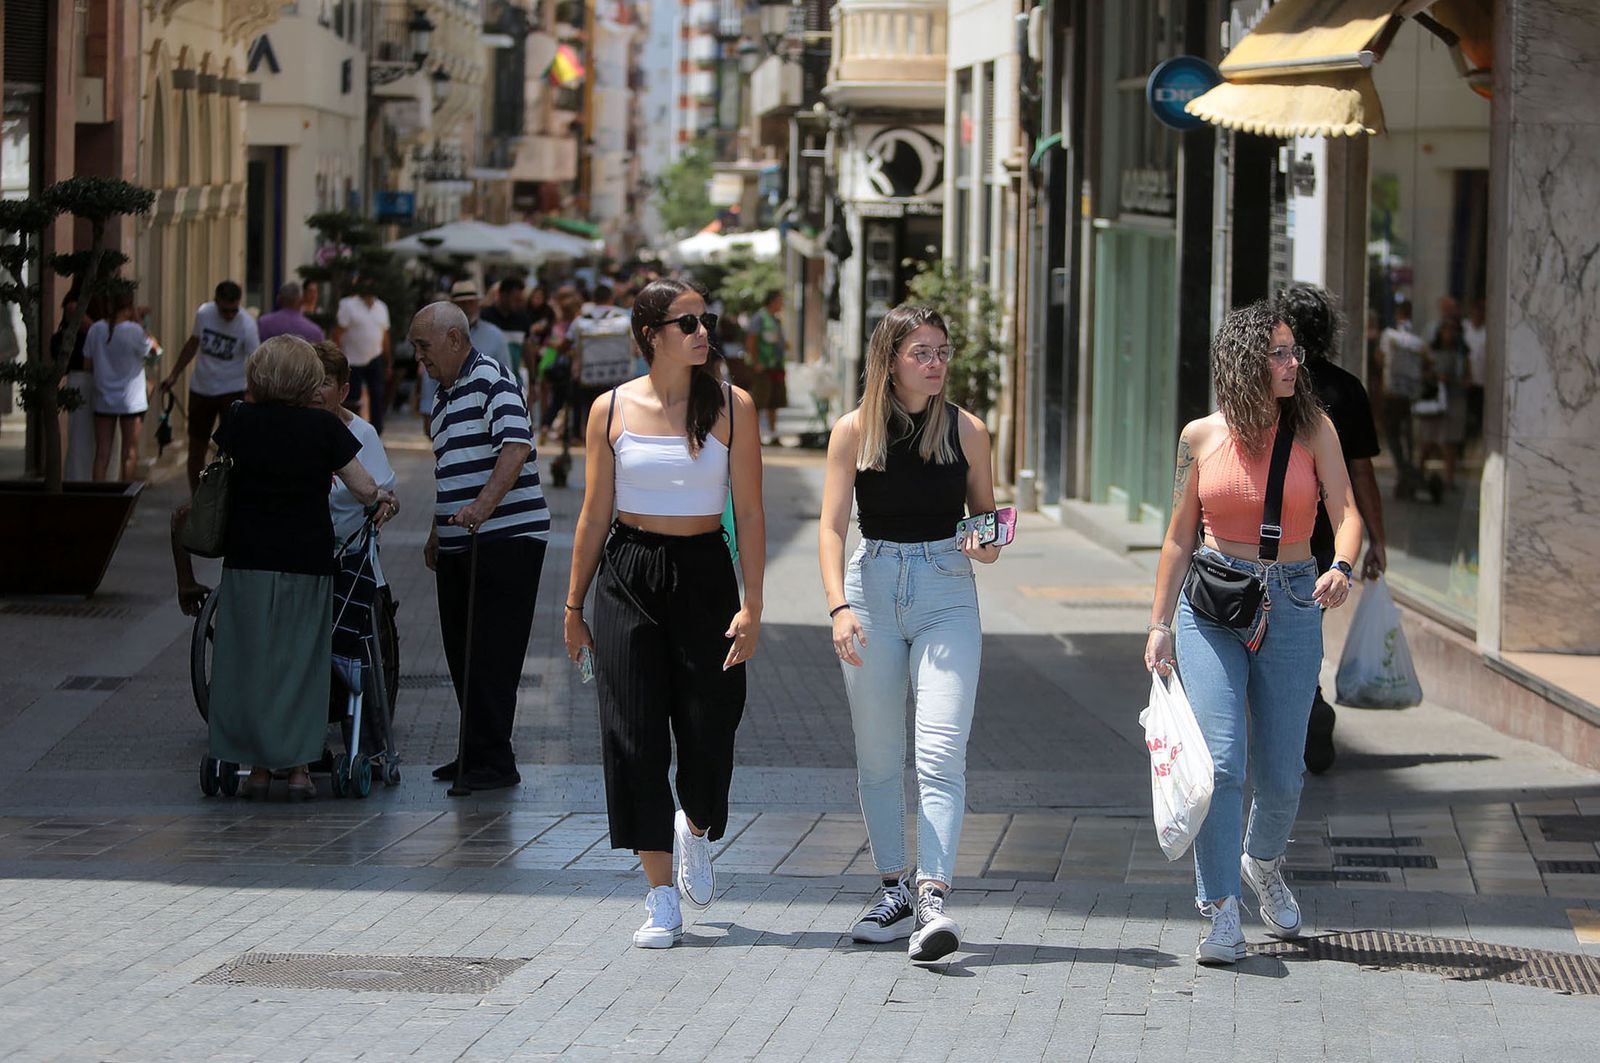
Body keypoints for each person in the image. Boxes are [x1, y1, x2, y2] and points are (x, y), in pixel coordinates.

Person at [1145, 301, 1362, 966]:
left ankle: (1262, 861)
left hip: (1294, 597)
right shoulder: (1199, 437)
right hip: (1212, 602)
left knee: (1284, 773)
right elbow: (1178, 536)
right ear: (1246, 362)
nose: (1294, 363)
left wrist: (1341, 566)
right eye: (1280, 353)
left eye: (1295, 351)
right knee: (1221, 764)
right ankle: (1219, 912)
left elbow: (1347, 512)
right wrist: (1158, 624)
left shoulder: (1315, 429)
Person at [563, 278, 765, 950]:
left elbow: (751, 513)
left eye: (707, 320)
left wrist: (754, 603)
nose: (703, 332)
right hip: (628, 572)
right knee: (633, 734)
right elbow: (593, 513)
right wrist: (573, 605)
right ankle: (659, 897)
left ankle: (696, 826)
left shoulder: (732, 405)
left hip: (705, 571)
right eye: (688, 323)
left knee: (712, 725)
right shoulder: (610, 409)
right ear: (651, 335)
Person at [819, 305, 1003, 963]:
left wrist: (987, 540)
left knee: (940, 750)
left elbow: (987, 521)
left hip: (946, 589)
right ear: (890, 359)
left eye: (941, 351)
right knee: (877, 753)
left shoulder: (968, 429)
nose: (935, 363)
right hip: (871, 589)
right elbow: (831, 527)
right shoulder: (854, 430)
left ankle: (932, 896)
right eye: (920, 352)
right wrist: (839, 607)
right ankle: (893, 887)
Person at [207, 335, 397, 800]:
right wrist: (383, 499)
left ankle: (257, 769)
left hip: (247, 559)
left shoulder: (238, 419)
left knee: (251, 659)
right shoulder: (322, 427)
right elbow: (363, 487)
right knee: (300, 663)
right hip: (306, 562)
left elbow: (215, 473)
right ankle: (297, 771)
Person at [413, 301, 550, 792]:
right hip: (462, 541)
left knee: (492, 652)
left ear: (454, 339)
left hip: (505, 539)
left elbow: (516, 445)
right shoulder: (444, 396)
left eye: (424, 346)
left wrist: (483, 506)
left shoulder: (491, 378)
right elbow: (450, 469)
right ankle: (475, 751)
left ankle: (494, 761)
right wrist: (437, 530)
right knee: (463, 651)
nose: (419, 358)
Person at [1276, 285, 1389, 775]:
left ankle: (1304, 709)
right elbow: (1362, 474)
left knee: (1272, 631)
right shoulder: (1347, 389)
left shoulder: (1275, 384)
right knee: (1303, 628)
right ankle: (1308, 707)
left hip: (1270, 531)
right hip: (1326, 537)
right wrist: (1376, 540)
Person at [160, 280, 261, 492]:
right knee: (196, 445)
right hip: (202, 389)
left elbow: (256, 362)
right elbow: (192, 344)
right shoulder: (205, 313)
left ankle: (228, 497)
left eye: (234, 310)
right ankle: (197, 497)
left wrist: (253, 393)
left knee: (232, 449)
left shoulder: (247, 325)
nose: (229, 315)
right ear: (216, 302)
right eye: (225, 310)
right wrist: (174, 374)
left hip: (232, 391)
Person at [88, 295, 151, 482]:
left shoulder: (96, 329)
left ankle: (97, 496)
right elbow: (152, 352)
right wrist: (139, 320)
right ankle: (127, 495)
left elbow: (87, 363)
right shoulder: (135, 331)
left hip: (103, 397)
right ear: (130, 307)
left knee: (102, 453)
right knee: (129, 452)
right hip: (132, 400)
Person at [567, 284, 631, 443]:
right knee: (617, 413)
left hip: (589, 377)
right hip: (619, 377)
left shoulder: (581, 321)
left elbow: (568, 343)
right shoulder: (624, 320)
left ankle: (591, 440)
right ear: (611, 298)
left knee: (591, 412)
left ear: (594, 299)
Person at [1415, 316, 1469, 499]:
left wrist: (1453, 380)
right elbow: (1422, 372)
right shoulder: (1431, 353)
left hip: (1454, 400)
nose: (1449, 334)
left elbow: (1467, 378)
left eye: (1452, 330)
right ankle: (1419, 475)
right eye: (1446, 329)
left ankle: (1449, 479)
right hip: (1433, 400)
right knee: (1427, 442)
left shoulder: (1461, 356)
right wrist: (1435, 377)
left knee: (1449, 443)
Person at [1375, 301, 1425, 499]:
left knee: (1393, 434)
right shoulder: (1417, 339)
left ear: (1398, 314)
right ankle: (1408, 469)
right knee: (1408, 435)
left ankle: (1404, 469)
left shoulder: (1389, 335)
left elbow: (1380, 359)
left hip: (1392, 393)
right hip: (1410, 394)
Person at [334, 279, 392, 434]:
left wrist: (388, 361)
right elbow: (338, 333)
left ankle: (377, 433)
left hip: (374, 357)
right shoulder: (348, 305)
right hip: (352, 359)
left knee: (377, 396)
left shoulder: (381, 307)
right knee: (351, 398)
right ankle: (349, 432)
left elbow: (385, 336)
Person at [54, 292, 97, 482]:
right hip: (82, 376)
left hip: (92, 376)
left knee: (98, 441)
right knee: (81, 439)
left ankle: (90, 482)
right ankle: (79, 482)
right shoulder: (75, 304)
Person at [747, 290, 787, 444]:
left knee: (774, 401)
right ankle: (752, 435)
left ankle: (773, 434)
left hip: (776, 366)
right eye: (779, 301)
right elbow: (751, 340)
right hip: (763, 367)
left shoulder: (776, 319)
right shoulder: (759, 318)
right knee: (759, 401)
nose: (781, 304)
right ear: (772, 301)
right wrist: (756, 361)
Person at [257, 281, 326, 344]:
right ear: (301, 301)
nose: (313, 295)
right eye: (310, 291)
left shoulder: (263, 323)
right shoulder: (315, 332)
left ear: (279, 300)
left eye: (315, 292)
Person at [1462, 297, 1487, 445]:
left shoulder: (1487, 332)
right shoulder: (1465, 329)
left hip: (1482, 381)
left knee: (1478, 414)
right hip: (1465, 381)